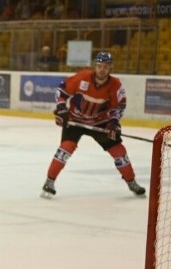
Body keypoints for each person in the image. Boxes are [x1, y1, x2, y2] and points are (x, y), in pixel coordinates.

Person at [41, 51, 145, 198]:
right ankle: (49, 181)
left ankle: (131, 182)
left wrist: (114, 123)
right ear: (95, 66)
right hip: (75, 120)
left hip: (100, 123)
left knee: (119, 152)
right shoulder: (82, 77)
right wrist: (62, 109)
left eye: (106, 66)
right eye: (99, 66)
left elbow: (119, 107)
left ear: (111, 68)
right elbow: (61, 91)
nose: (102, 69)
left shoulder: (116, 85)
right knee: (65, 150)